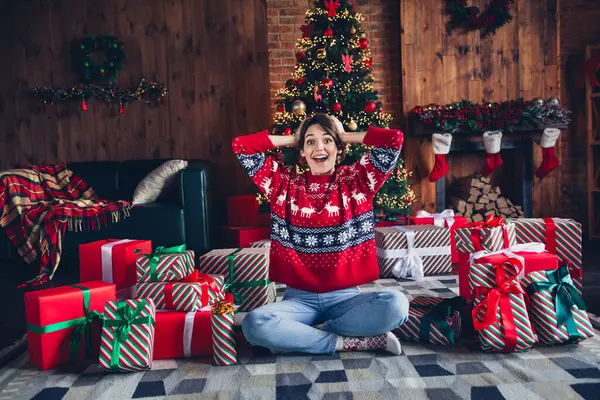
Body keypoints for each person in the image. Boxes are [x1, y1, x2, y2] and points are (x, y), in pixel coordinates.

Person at [232, 113, 409, 355]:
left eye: (327, 141)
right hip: (299, 300)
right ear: (302, 152)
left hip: (346, 298)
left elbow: (394, 139)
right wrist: (293, 138)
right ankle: (345, 341)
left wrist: (343, 134)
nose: (319, 147)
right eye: (310, 142)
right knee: (254, 324)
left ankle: (306, 334)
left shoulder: (358, 180)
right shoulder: (283, 184)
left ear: (338, 148)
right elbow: (241, 146)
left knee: (396, 305)